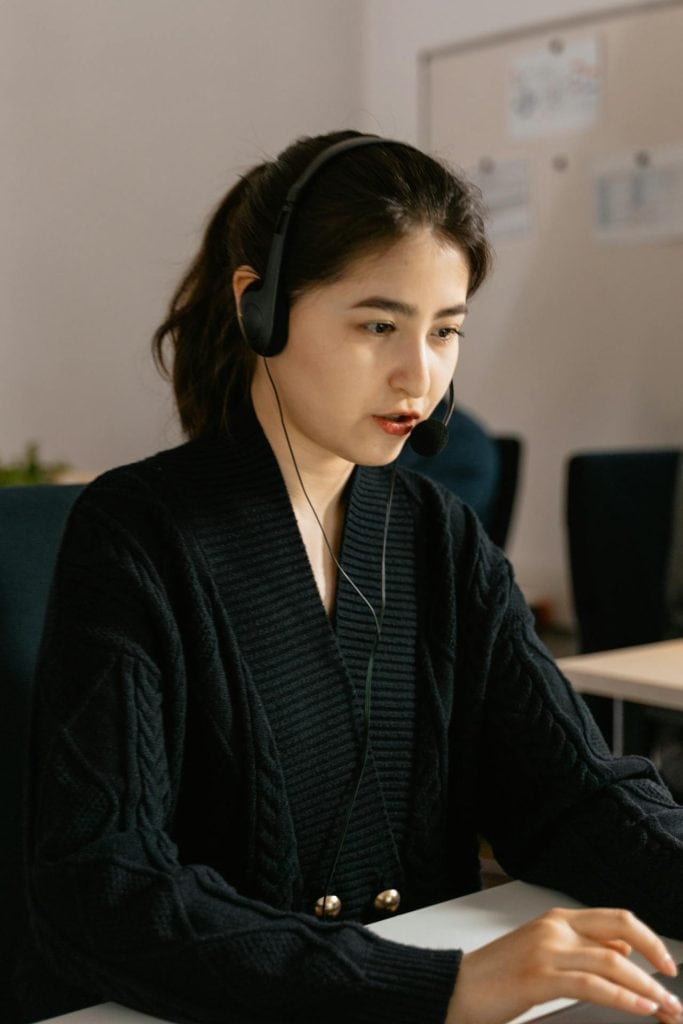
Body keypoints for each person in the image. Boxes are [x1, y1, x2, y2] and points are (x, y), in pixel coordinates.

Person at [18, 130, 683, 1024]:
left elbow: (566, 795)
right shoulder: (138, 532)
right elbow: (101, 883)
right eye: (378, 325)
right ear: (261, 308)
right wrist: (433, 986)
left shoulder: (435, 533)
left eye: (444, 330)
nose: (421, 374)